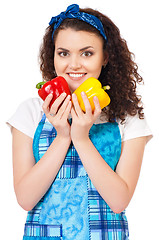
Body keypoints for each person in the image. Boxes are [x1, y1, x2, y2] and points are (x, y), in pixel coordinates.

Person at [7, 4, 152, 240]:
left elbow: (118, 202)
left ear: (105, 57)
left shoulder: (128, 117)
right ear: (52, 55)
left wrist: (81, 138)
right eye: (63, 53)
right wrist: (63, 136)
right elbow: (25, 199)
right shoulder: (31, 112)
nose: (74, 64)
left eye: (87, 53)